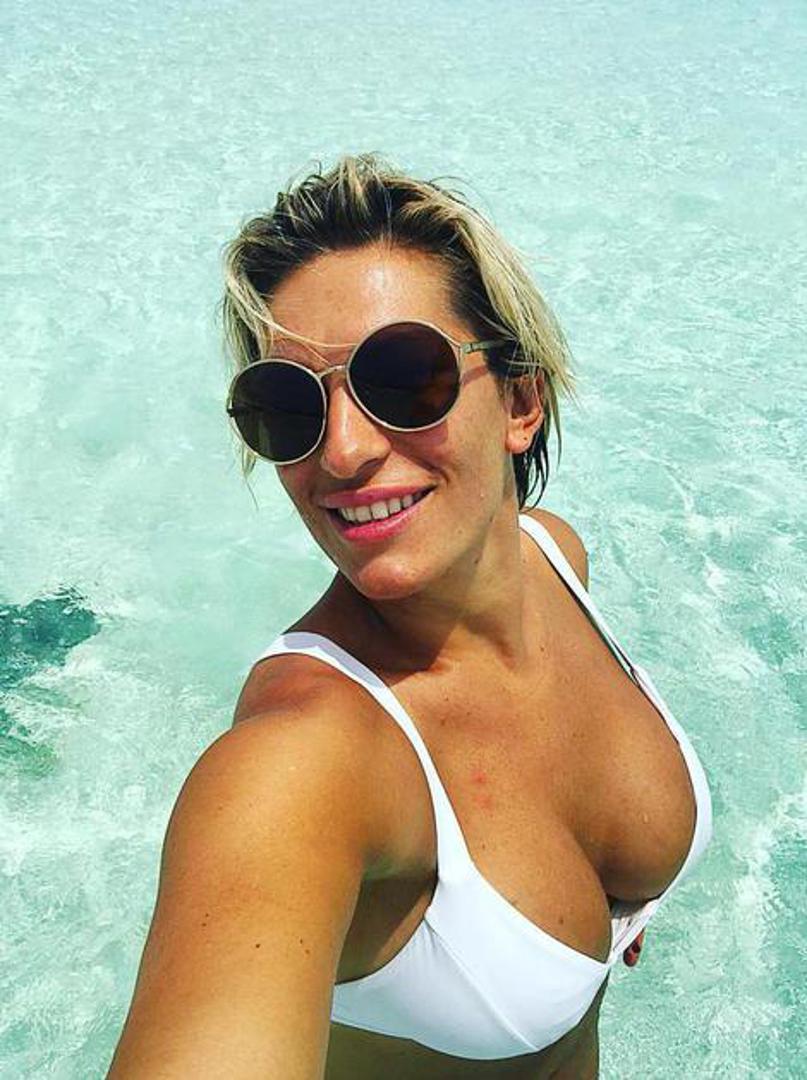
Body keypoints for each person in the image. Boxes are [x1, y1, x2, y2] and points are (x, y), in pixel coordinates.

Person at [107, 154, 712, 1079]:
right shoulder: (296, 769)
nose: (342, 453)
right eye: (286, 407)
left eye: (401, 375)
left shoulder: (554, 559)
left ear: (519, 401)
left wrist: (600, 920)